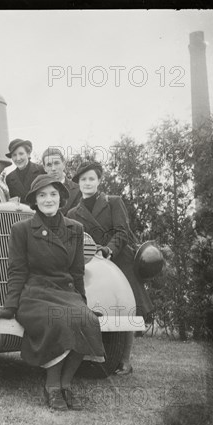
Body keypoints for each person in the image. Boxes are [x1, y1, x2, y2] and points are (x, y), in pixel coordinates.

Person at [0, 174, 105, 411]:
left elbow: (77, 272)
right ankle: (52, 386)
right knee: (59, 322)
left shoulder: (76, 229)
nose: (48, 199)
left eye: (53, 194)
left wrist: (83, 303)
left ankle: (66, 384)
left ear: (61, 198)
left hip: (66, 292)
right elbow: (17, 270)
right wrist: (10, 305)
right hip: (34, 294)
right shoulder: (21, 229)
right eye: (42, 195)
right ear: (35, 201)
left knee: (88, 322)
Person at [67, 161, 154, 375]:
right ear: (78, 183)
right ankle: (94, 353)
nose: (87, 183)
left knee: (125, 308)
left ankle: (125, 360)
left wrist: (107, 250)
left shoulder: (114, 202)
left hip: (118, 259)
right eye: (83, 179)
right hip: (90, 263)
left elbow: (122, 232)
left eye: (91, 179)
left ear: (99, 181)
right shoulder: (72, 212)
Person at [41, 147, 81, 215]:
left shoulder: (78, 190)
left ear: (64, 164)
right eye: (49, 165)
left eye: (56, 163)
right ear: (44, 168)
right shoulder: (39, 191)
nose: (53, 168)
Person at [4, 138, 45, 205]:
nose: (18, 158)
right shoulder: (9, 178)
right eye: (14, 155)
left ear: (28, 154)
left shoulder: (41, 170)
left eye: (21, 154)